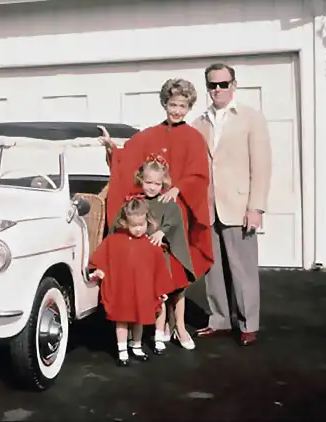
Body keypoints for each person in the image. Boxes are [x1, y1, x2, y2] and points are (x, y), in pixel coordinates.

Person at [99, 78, 214, 347]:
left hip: (176, 214)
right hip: (151, 215)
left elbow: (199, 174)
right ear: (165, 103)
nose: (176, 110)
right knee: (154, 271)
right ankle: (155, 325)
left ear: (189, 107)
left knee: (178, 275)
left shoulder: (194, 138)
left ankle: (180, 327)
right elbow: (127, 159)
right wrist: (111, 148)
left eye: (182, 106)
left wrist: (179, 188)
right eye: (172, 104)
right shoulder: (149, 135)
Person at [191, 63, 272, 346]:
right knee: (213, 269)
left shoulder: (251, 118)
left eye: (223, 84)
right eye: (212, 85)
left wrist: (256, 207)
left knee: (243, 269)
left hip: (239, 206)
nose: (217, 90)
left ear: (233, 85)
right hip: (208, 206)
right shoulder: (198, 122)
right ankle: (220, 320)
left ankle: (249, 324)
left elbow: (261, 166)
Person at [111, 154, 197, 351]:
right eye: (148, 182)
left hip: (165, 253)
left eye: (157, 183)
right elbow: (121, 222)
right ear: (141, 179)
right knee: (158, 294)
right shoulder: (135, 201)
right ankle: (160, 328)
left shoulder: (167, 201)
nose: (152, 187)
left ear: (163, 183)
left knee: (177, 290)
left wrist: (162, 231)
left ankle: (180, 327)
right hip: (145, 257)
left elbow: (175, 218)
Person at [89, 196, 172, 366]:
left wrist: (161, 290)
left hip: (142, 289)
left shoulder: (151, 245)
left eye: (142, 225)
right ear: (125, 222)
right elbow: (102, 257)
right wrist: (98, 269)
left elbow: (159, 269)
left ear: (147, 221)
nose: (138, 229)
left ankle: (136, 345)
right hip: (123, 289)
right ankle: (122, 350)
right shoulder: (114, 241)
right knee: (122, 319)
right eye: (134, 226)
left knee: (139, 319)